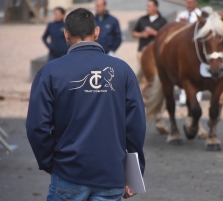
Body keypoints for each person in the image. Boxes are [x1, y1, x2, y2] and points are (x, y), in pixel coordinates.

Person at [26, 8, 146, 201]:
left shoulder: (50, 72)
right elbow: (136, 127)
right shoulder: (123, 70)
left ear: (66, 34)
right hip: (110, 175)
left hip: (68, 172)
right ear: (96, 32)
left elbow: (37, 127)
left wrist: (50, 163)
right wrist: (134, 173)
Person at [132, 0, 167, 82]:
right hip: (142, 51)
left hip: (156, 52)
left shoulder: (163, 21)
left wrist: (155, 33)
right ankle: (141, 92)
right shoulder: (142, 19)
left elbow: (166, 36)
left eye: (149, 6)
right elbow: (134, 33)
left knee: (154, 74)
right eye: (147, 6)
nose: (147, 8)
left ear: (156, 7)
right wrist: (142, 34)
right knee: (142, 73)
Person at [176, 0, 202, 105]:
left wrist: (188, 24)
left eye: (190, 3)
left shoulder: (201, 15)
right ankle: (183, 97)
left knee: (197, 74)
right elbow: (176, 31)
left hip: (196, 50)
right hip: (184, 49)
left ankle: (197, 98)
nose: (188, 5)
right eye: (187, 3)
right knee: (184, 74)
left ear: (196, 4)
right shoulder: (181, 15)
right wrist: (180, 23)